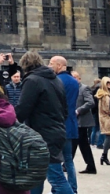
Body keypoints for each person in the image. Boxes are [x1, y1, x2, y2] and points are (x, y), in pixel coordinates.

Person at [15, 51, 71, 194]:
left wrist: (10, 121)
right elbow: (65, 109)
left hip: (41, 133)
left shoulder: (32, 80)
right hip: (56, 129)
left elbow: (22, 109)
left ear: (25, 66)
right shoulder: (56, 80)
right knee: (36, 176)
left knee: (56, 177)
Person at [50, 57, 80, 193]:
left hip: (58, 124)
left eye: (51, 63)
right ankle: (73, 187)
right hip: (71, 123)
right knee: (68, 160)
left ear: (60, 65)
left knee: (55, 160)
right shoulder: (74, 82)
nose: (49, 66)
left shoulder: (57, 81)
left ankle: (59, 188)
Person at [73, 71, 98, 174]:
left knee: (76, 142)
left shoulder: (84, 88)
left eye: (75, 78)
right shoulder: (72, 89)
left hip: (82, 121)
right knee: (82, 144)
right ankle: (91, 166)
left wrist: (79, 110)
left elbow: (90, 102)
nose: (73, 79)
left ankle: (67, 164)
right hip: (74, 120)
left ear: (79, 79)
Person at [96, 77, 110, 166]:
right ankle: (104, 156)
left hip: (106, 118)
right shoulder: (105, 96)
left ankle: (104, 156)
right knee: (108, 137)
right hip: (107, 118)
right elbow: (107, 108)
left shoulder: (105, 94)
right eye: (108, 83)